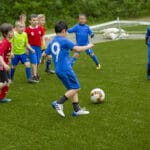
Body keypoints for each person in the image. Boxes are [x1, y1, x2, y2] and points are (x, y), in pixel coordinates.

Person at [41, 21, 93, 117]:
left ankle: (76, 109)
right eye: (67, 32)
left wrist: (42, 61)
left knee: (71, 88)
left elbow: (44, 54)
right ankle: (58, 103)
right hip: (66, 69)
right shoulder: (64, 40)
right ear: (64, 31)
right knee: (76, 87)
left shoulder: (52, 41)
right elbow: (77, 49)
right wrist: (88, 46)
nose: (67, 34)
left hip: (58, 70)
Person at [25, 14, 44, 82]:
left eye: (36, 20)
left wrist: (43, 44)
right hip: (31, 47)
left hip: (38, 47)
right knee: (34, 61)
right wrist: (27, 49)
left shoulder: (40, 28)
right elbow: (25, 40)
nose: (35, 21)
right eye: (33, 20)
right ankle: (35, 76)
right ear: (30, 21)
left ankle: (34, 73)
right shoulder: (27, 29)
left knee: (38, 61)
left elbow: (42, 36)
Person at [0, 23, 13, 103]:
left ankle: (1, 98)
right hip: (2, 66)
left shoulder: (8, 42)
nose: (12, 32)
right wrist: (4, 64)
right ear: (5, 33)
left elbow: (5, 53)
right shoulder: (5, 42)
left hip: (6, 65)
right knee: (5, 82)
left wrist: (11, 54)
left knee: (8, 81)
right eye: (10, 31)